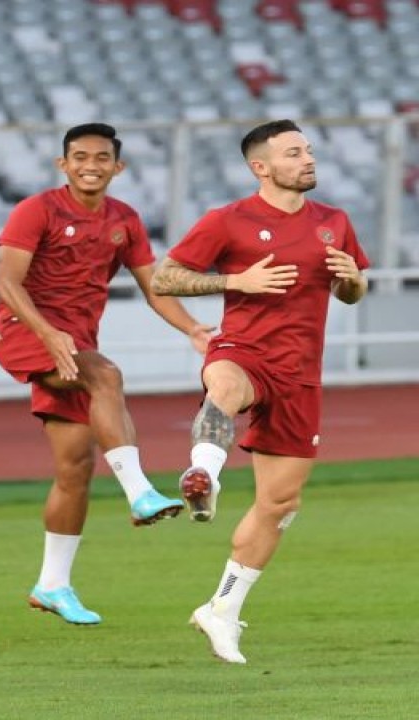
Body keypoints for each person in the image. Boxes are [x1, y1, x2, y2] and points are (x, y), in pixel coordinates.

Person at [151, 119, 369, 663]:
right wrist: (234, 281)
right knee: (222, 385)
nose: (308, 160)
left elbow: (351, 293)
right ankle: (203, 473)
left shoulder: (334, 222)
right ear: (261, 167)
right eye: (295, 153)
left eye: (309, 151)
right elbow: (164, 277)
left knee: (280, 503)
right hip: (245, 353)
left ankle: (221, 610)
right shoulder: (229, 221)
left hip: (302, 376)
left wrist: (352, 280)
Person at [0, 123, 213, 625]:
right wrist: (47, 333)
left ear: (118, 167)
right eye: (79, 156)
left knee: (75, 469)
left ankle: (52, 585)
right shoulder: (37, 210)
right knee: (107, 376)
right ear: (62, 164)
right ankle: (139, 492)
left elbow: (154, 285)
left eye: (101, 157)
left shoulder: (124, 219)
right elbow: (6, 281)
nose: (90, 164)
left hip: (76, 342)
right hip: (26, 331)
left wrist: (192, 328)